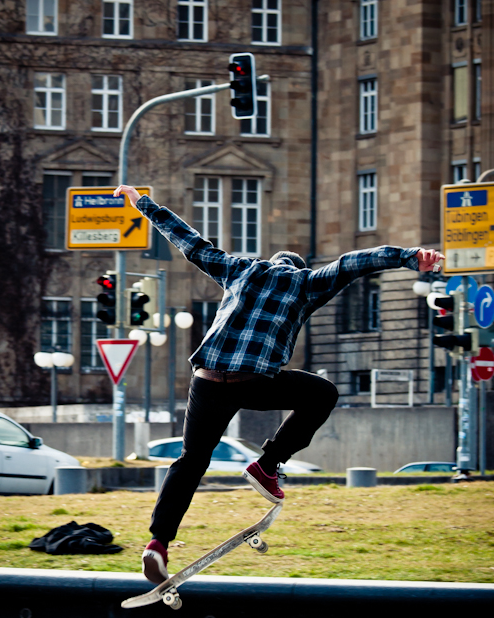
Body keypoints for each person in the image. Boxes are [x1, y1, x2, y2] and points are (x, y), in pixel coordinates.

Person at [114, 185, 444, 584]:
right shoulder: (306, 283)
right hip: (252, 381)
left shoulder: (239, 268)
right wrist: (411, 257)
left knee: (191, 461)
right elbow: (355, 262)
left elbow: (188, 240)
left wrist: (141, 202)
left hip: (207, 381)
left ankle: (157, 545)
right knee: (322, 393)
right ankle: (267, 465)